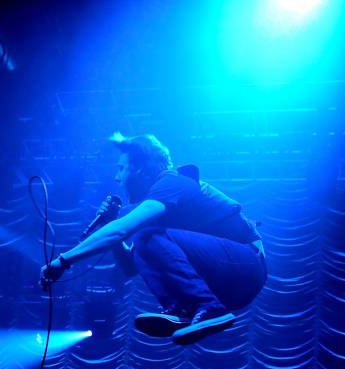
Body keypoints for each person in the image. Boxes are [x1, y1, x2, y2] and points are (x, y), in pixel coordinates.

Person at [40, 133, 267, 344]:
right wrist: (110, 223)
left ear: (140, 168)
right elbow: (130, 267)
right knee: (144, 239)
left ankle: (206, 306)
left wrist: (64, 261)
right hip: (230, 282)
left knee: (145, 235)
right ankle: (182, 309)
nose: (117, 177)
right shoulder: (160, 204)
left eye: (121, 168)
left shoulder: (173, 182)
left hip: (247, 266)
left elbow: (121, 230)